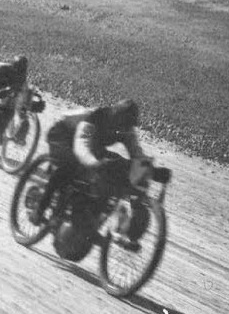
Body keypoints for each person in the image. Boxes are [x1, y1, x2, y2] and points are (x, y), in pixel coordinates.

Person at [31, 99, 146, 243]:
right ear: (116, 115)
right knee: (68, 165)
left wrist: (151, 170)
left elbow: (137, 155)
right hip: (62, 134)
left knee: (114, 165)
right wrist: (95, 163)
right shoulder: (95, 117)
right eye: (124, 123)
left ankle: (84, 220)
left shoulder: (126, 129)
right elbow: (82, 146)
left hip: (90, 144)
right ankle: (40, 208)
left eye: (129, 125)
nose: (125, 128)